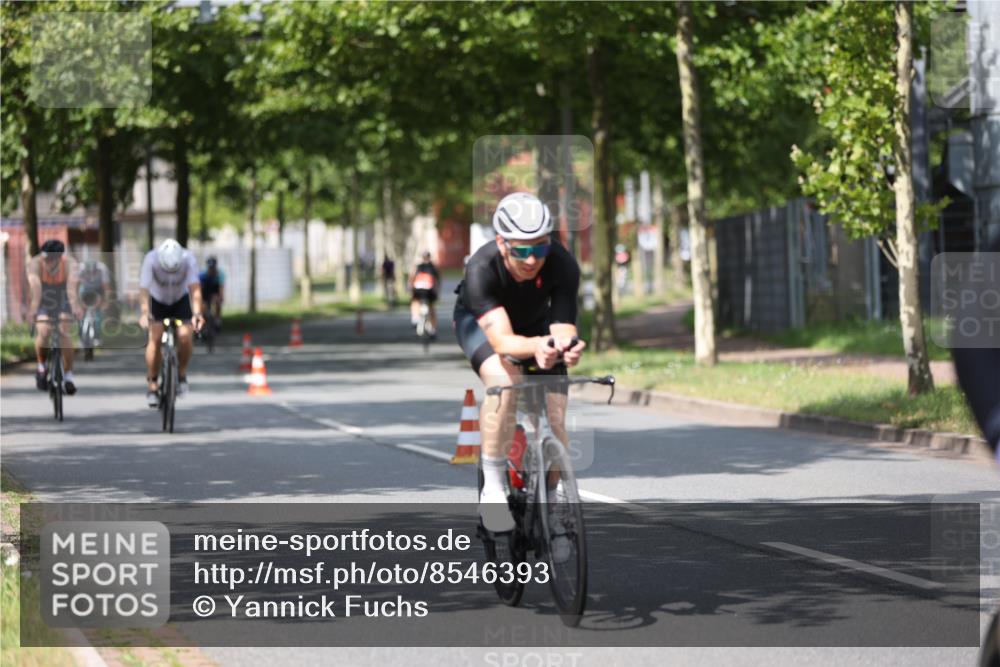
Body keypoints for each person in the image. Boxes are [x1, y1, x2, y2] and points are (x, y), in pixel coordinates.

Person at [453, 192, 585, 535]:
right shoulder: (481, 268)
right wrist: (538, 346)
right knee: (505, 380)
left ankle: (553, 502)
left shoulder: (562, 262)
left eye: (539, 248)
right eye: (521, 250)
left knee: (556, 415)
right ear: (501, 242)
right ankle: (494, 488)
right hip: (482, 325)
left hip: (535, 324)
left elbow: (562, 326)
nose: (531, 260)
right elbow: (502, 342)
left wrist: (566, 347)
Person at [139, 239, 205, 407]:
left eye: (173, 270)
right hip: (157, 300)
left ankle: (181, 373)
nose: (170, 274)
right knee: (155, 336)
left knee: (185, 336)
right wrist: (145, 313)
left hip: (179, 300)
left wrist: (197, 313)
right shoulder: (151, 259)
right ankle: (152, 383)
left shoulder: (188, 259)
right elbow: (144, 290)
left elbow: (195, 290)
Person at [26, 240, 82, 394]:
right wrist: (33, 310)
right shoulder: (35, 263)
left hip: (63, 295)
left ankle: (69, 375)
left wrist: (76, 308)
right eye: (45, 258)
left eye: (50, 259)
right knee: (43, 329)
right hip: (43, 295)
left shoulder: (70, 264)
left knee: (64, 328)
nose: (47, 262)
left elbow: (71, 288)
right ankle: (41, 365)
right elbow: (36, 289)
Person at [78, 258, 111, 346]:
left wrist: (105, 301)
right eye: (89, 273)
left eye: (93, 273)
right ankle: (81, 337)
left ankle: (97, 336)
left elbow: (106, 288)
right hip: (84, 288)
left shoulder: (102, 269)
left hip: (98, 289)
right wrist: (79, 303)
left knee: (97, 314)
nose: (91, 276)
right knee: (81, 314)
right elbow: (75, 286)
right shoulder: (80, 269)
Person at [410, 251, 440, 335]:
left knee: (415, 301)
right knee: (431, 307)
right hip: (430, 290)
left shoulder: (418, 266)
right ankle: (433, 329)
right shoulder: (433, 267)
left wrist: (411, 289)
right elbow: (438, 280)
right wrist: (437, 291)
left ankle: (415, 318)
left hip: (418, 290)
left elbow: (412, 278)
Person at [198, 256, 225, 332]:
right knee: (203, 306)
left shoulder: (220, 274)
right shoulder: (202, 274)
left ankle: (217, 320)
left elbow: (221, 288)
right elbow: (199, 289)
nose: (211, 270)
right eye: (210, 268)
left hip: (215, 289)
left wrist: (220, 298)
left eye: (213, 268)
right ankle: (202, 323)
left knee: (218, 303)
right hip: (206, 289)